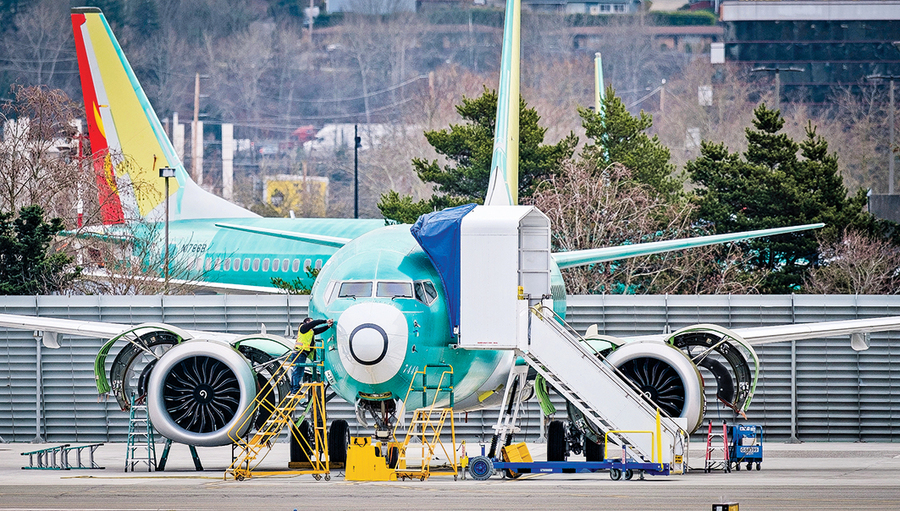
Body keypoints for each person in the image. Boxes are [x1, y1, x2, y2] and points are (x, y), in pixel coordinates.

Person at [290, 317, 334, 393]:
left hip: (302, 353)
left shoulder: (310, 331)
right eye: (311, 322)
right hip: (299, 352)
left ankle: (296, 389)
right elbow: (314, 323)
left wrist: (327, 326)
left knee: (299, 372)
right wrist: (325, 321)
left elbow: (318, 330)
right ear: (307, 322)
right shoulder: (303, 327)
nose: (313, 324)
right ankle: (295, 390)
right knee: (297, 372)